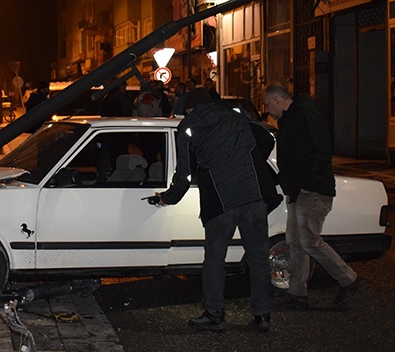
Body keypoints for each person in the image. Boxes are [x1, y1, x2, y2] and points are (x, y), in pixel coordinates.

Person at [148, 88, 278, 332]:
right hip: (253, 196)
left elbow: (185, 173)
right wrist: (250, 163)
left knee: (215, 260)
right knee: (259, 258)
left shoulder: (187, 127)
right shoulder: (237, 114)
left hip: (221, 202)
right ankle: (262, 316)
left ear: (189, 108)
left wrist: (168, 198)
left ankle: (215, 314)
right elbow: (267, 138)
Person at [262, 83, 367, 309]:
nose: (267, 110)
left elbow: (320, 150)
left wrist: (308, 185)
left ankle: (350, 280)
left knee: (308, 241)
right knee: (295, 242)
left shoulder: (305, 114)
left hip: (312, 191)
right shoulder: (291, 118)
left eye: (268, 104)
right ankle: (297, 293)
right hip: (299, 192)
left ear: (278, 101)